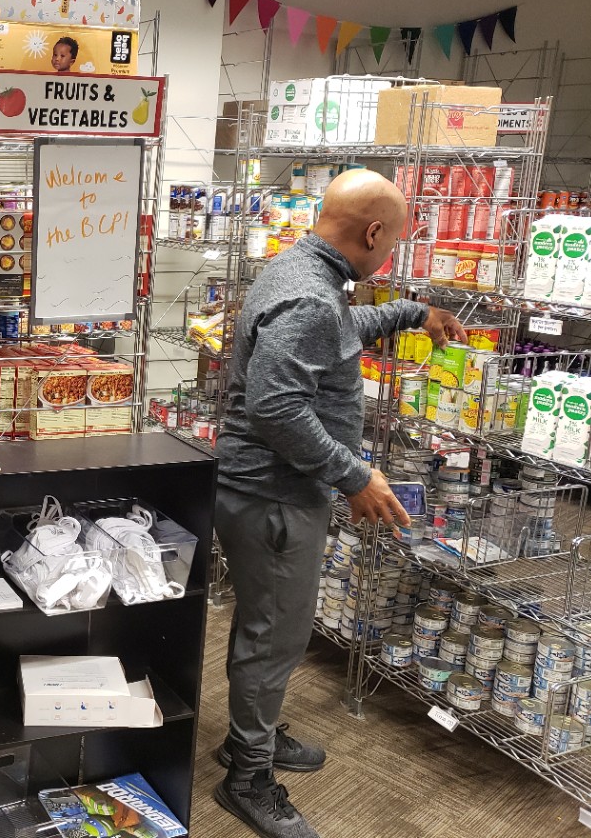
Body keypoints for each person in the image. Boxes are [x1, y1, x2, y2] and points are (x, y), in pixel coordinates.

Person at [211, 169, 466, 838]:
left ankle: (248, 739)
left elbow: (338, 330)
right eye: (394, 242)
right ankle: (247, 778)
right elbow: (276, 406)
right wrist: (353, 474)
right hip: (273, 494)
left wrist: (413, 312)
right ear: (373, 231)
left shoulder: (300, 271)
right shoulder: (310, 298)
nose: (390, 255)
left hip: (264, 489)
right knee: (276, 637)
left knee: (265, 626)